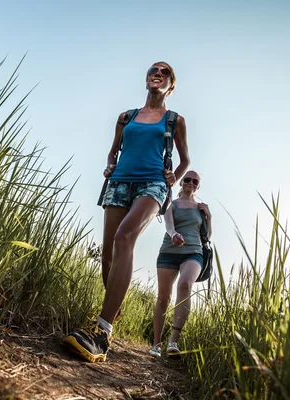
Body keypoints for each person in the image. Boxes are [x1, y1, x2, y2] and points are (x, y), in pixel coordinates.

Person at [63, 61, 191, 363]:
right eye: (153, 70)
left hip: (153, 184)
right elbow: (114, 150)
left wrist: (176, 175)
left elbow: (185, 159)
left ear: (170, 85)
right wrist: (109, 164)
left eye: (164, 72)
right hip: (119, 182)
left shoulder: (175, 120)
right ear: (147, 79)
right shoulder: (126, 117)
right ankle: (113, 309)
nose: (157, 74)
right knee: (107, 255)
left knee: (124, 238)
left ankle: (101, 333)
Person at [148, 171, 211, 358]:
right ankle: (156, 344)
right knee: (163, 298)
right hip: (169, 251)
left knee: (185, 285)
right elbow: (168, 224)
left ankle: (173, 341)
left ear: (198, 186)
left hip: (194, 252)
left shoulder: (201, 208)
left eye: (195, 181)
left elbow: (207, 236)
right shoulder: (171, 204)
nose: (190, 183)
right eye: (187, 180)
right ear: (181, 182)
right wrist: (173, 234)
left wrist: (209, 216)